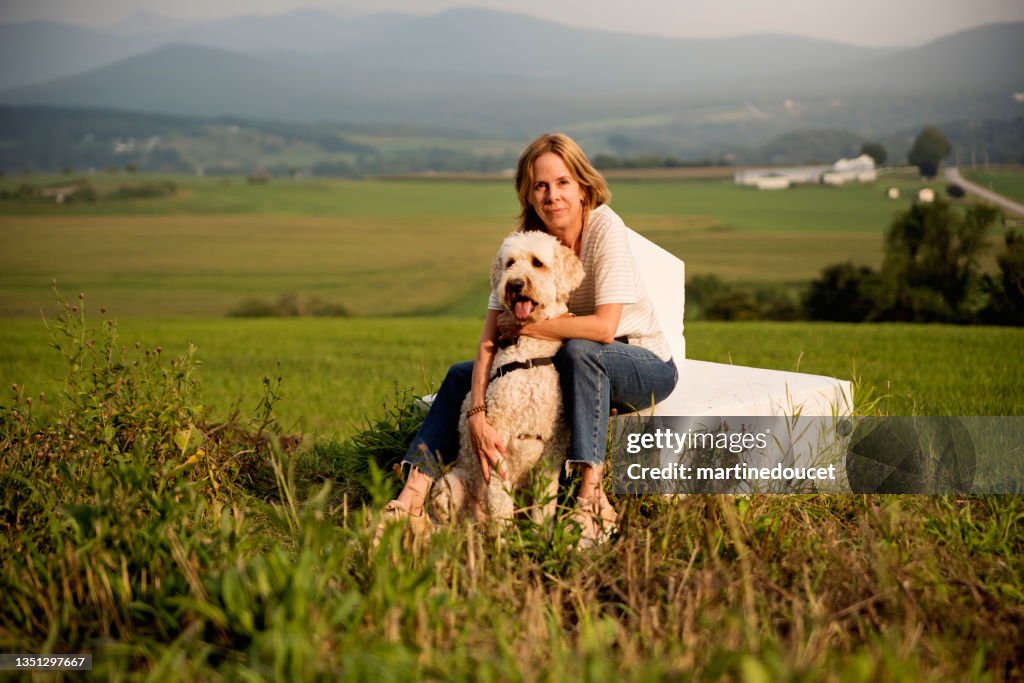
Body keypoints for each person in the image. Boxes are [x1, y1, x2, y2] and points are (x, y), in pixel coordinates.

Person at [381, 133, 678, 545]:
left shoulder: (605, 229)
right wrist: (478, 413)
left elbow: (604, 330)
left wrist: (531, 328)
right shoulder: (525, 246)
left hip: (640, 361)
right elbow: (489, 339)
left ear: (583, 186)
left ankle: (591, 497)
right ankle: (410, 498)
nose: (552, 195)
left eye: (562, 182)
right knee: (457, 377)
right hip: (571, 354)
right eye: (540, 185)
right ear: (529, 193)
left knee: (581, 351)